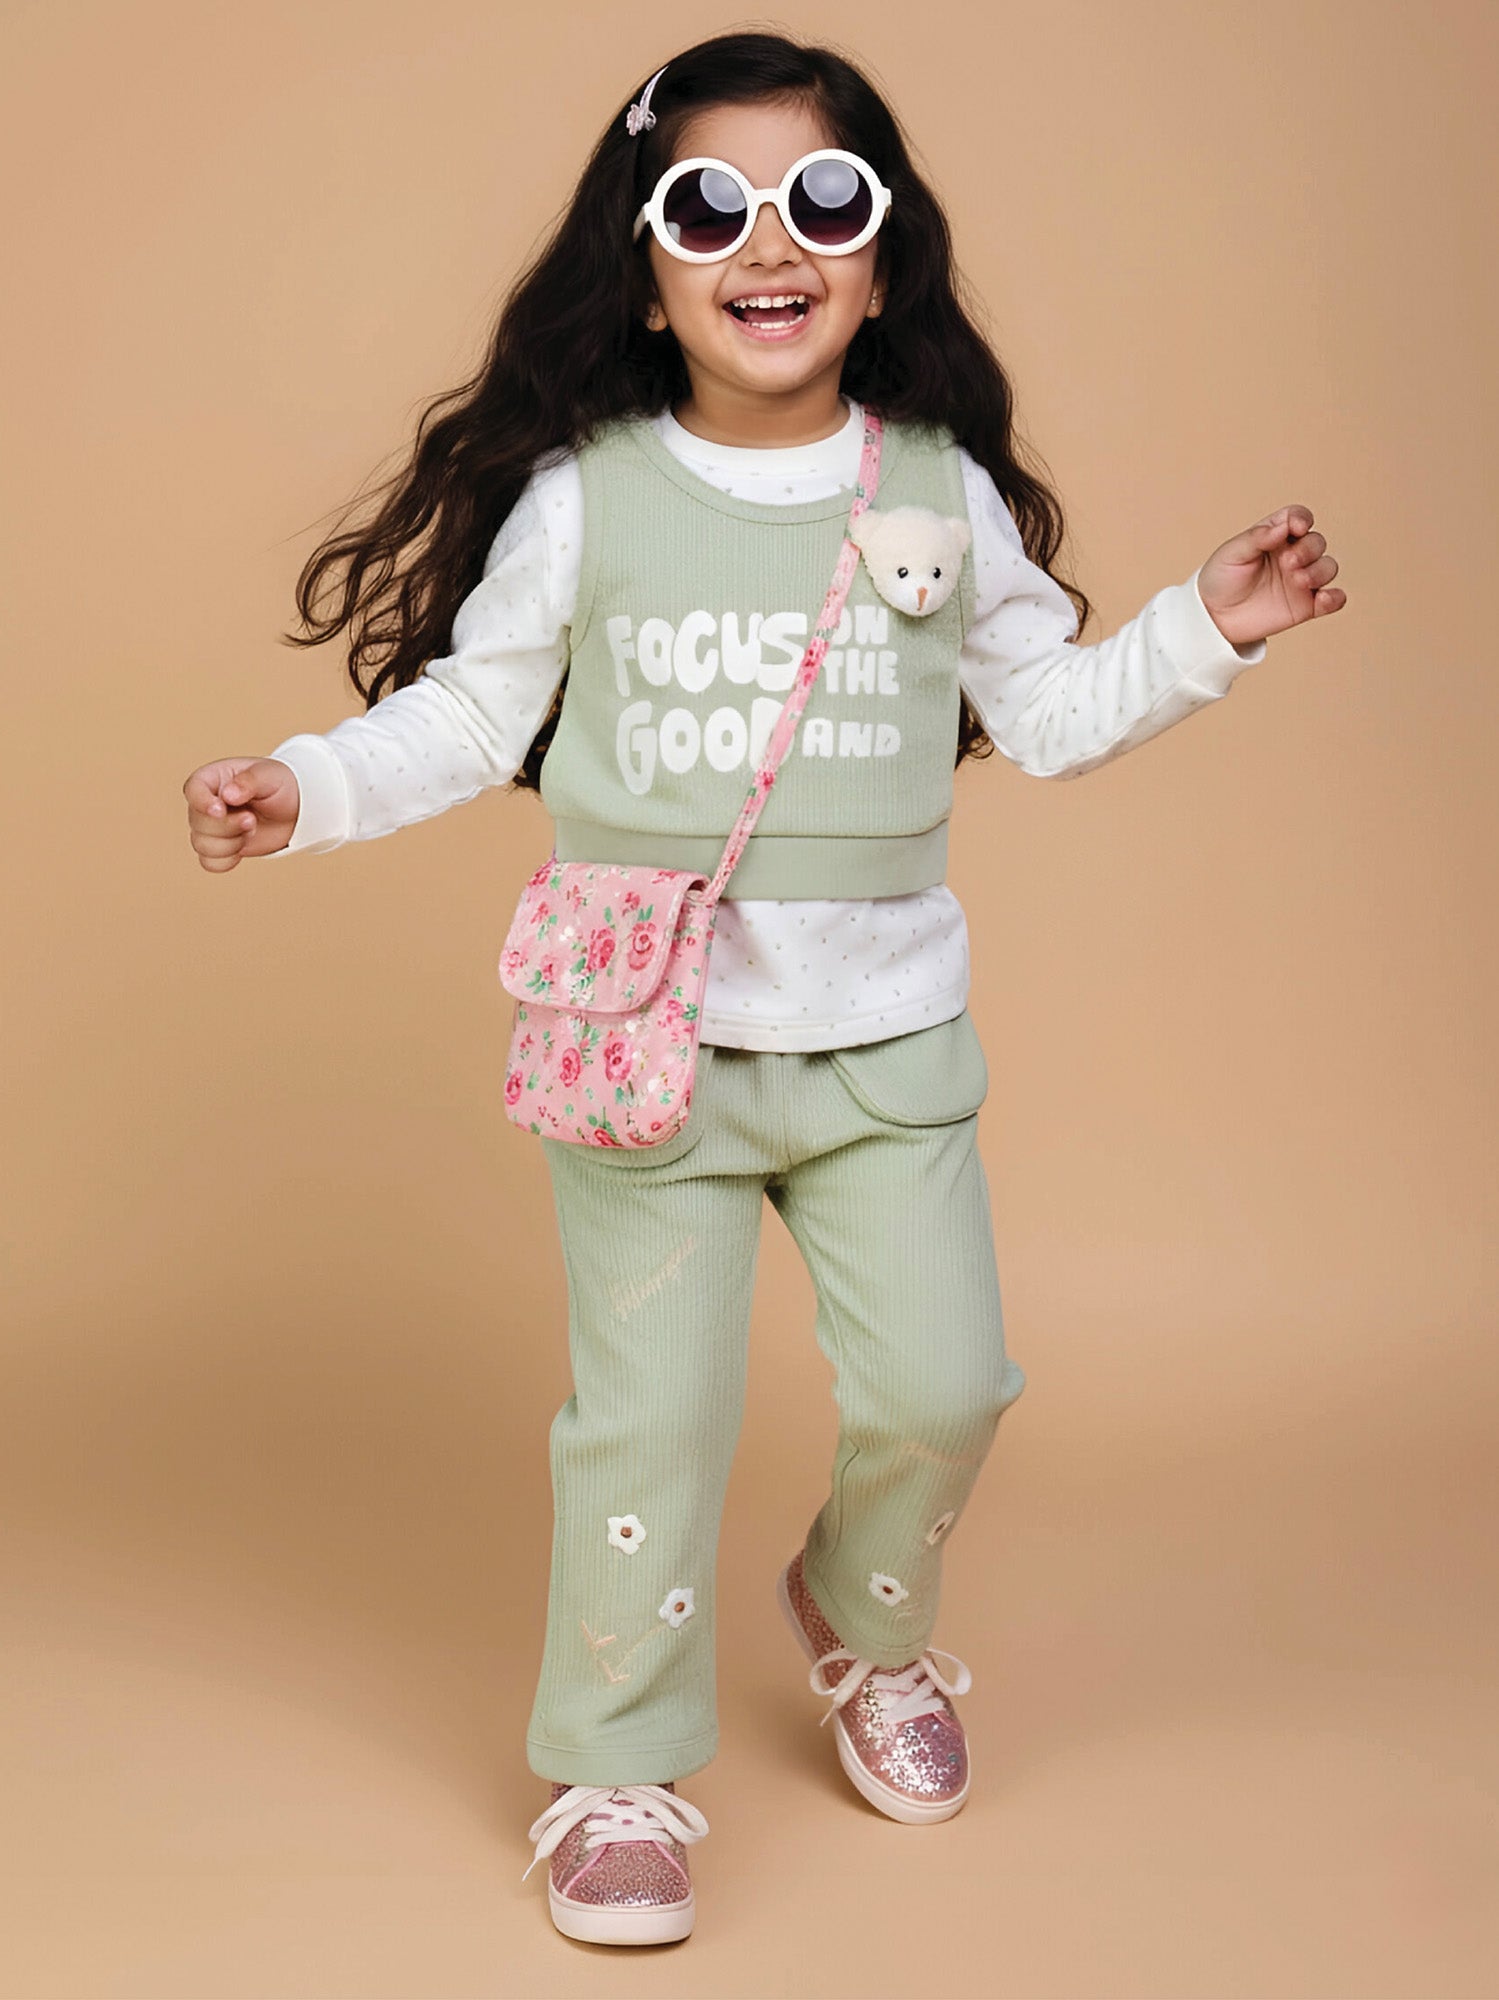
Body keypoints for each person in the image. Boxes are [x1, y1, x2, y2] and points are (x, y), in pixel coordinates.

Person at [181, 31, 1344, 1950]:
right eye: (707, 207)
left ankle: (864, 1622)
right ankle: (611, 1770)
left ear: (883, 260)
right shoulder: (590, 497)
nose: (769, 242)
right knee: (651, 1428)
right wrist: (301, 790)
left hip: (889, 1042)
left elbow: (1050, 714)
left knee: (948, 1383)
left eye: (822, 199)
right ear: (646, 275)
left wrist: (1207, 627)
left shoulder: (936, 487)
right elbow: (472, 716)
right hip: (648, 1051)